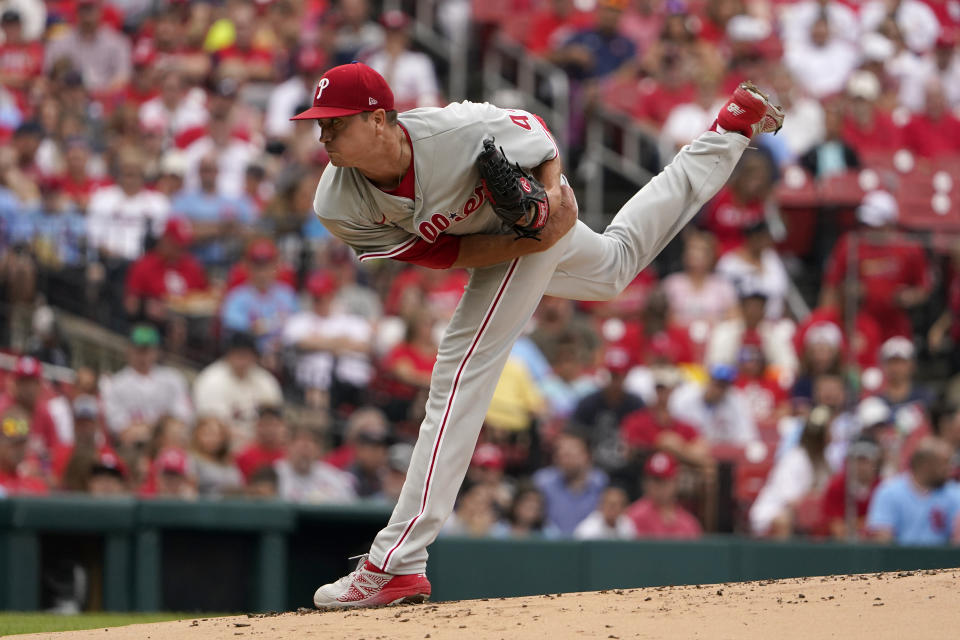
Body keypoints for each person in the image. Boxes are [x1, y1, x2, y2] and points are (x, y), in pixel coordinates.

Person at [298, 62, 783, 607]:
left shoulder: (455, 130)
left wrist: (550, 203)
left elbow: (539, 136)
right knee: (614, 267)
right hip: (508, 241)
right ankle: (729, 130)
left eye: (336, 121)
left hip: (533, 209)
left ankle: (398, 561)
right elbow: (441, 253)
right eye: (319, 123)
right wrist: (529, 244)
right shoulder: (336, 203)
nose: (324, 133)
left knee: (459, 373)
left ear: (380, 118)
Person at [821, 190, 931, 341]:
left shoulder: (910, 248)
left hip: (895, 325)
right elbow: (831, 287)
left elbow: (924, 287)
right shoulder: (850, 244)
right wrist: (827, 325)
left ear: (890, 224)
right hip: (857, 325)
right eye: (866, 224)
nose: (868, 230)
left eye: (875, 225)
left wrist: (909, 297)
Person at [100, 324, 194, 442]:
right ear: (129, 350)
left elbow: (183, 420)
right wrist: (160, 426)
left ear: (157, 351)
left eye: (148, 350)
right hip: (131, 449)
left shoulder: (173, 379)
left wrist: (145, 427)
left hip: (168, 445)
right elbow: (120, 430)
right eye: (139, 350)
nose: (143, 356)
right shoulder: (115, 384)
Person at [749, 406, 832, 538]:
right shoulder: (794, 458)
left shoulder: (824, 462)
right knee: (784, 519)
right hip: (773, 511)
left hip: (804, 515)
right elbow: (791, 501)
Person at [866, 438, 960, 545]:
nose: (950, 469)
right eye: (944, 463)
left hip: (944, 561)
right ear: (925, 465)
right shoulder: (889, 491)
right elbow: (882, 539)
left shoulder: (954, 493)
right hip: (899, 559)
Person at [192, 332, 283, 443]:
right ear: (228, 355)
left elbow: (275, 420)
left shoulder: (266, 381)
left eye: (247, 355)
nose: (242, 360)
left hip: (259, 447)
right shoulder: (211, 380)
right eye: (238, 355)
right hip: (222, 447)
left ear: (255, 357)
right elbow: (210, 426)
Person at [532, 431, 609, 536]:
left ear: (587, 456)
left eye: (570, 455)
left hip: (590, 546)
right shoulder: (542, 481)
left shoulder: (601, 482)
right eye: (561, 455)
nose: (565, 460)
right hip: (551, 545)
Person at [668, 364, 760, 446]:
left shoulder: (736, 401)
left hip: (721, 456)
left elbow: (747, 436)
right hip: (687, 450)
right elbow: (671, 426)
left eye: (724, 386)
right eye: (717, 384)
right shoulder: (685, 396)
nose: (719, 390)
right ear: (708, 381)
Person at [625, 451, 702, 539]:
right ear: (646, 482)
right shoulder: (633, 516)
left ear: (675, 482)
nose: (659, 487)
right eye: (655, 480)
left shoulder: (688, 523)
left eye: (665, 480)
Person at [275, 425, 357, 503]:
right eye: (299, 441)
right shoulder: (274, 473)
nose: (305, 447)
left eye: (311, 442)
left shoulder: (334, 478)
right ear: (288, 447)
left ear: (319, 450)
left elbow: (349, 506)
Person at [821, 437, 882, 540]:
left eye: (865, 461)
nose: (861, 466)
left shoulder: (883, 488)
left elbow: (884, 530)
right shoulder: (836, 486)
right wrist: (866, 524)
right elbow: (838, 530)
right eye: (856, 460)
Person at [234, 404, 289, 482]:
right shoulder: (244, 456)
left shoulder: (288, 456)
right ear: (257, 427)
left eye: (274, 425)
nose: (269, 430)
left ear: (282, 427)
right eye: (265, 424)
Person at [573, 485, 638, 540]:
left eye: (615, 505)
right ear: (601, 506)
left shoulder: (626, 524)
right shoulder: (588, 529)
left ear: (623, 508)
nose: (611, 508)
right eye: (608, 504)